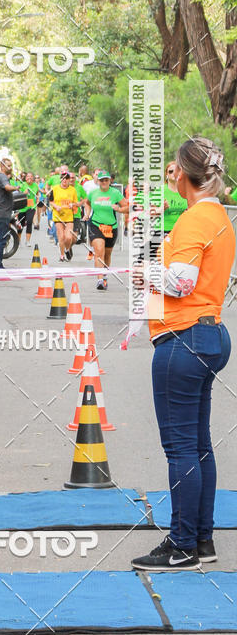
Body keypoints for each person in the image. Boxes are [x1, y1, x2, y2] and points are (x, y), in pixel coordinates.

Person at [132, 137, 234, 572]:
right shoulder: (219, 217)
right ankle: (201, 538)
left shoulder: (195, 219)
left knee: (181, 450)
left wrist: (146, 271)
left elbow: (181, 282)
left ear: (186, 176)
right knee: (198, 446)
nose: (170, 176)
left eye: (173, 169)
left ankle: (182, 544)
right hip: (207, 334)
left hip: (184, 338)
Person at [85, 171, 128, 289]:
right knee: (99, 251)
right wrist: (87, 213)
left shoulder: (115, 193)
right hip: (96, 224)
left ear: (110, 181)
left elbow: (127, 207)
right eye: (101, 180)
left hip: (111, 227)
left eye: (106, 180)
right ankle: (99, 280)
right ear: (98, 181)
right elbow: (87, 203)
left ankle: (104, 275)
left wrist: (119, 209)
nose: (104, 182)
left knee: (107, 254)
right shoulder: (93, 193)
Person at [0, 158, 16, 268]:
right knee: (1, 240)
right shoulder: (2, 176)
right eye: (8, 166)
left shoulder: (1, 176)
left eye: (11, 165)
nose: (10, 168)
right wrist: (16, 187)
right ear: (2, 166)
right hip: (2, 213)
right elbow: (7, 187)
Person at [150, 161, 188, 235]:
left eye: (176, 171)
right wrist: (160, 209)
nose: (173, 173)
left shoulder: (185, 190)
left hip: (181, 230)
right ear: (166, 174)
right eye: (170, 171)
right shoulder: (160, 190)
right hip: (163, 230)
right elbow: (150, 213)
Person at [49, 170, 78, 261]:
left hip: (69, 217)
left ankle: (67, 249)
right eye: (63, 178)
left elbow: (76, 203)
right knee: (61, 237)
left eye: (67, 178)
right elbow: (51, 201)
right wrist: (56, 206)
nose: (65, 180)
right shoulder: (55, 189)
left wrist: (72, 205)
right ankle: (62, 256)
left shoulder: (73, 190)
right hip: (58, 216)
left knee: (68, 237)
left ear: (69, 180)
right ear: (60, 179)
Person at [18, 173, 38, 247]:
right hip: (22, 207)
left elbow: (37, 193)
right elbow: (18, 195)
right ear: (25, 178)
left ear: (33, 178)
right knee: (20, 225)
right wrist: (24, 193)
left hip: (31, 206)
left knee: (29, 222)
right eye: (28, 176)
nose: (29, 178)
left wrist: (37, 200)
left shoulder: (35, 185)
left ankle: (28, 241)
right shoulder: (22, 184)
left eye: (31, 176)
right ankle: (19, 241)